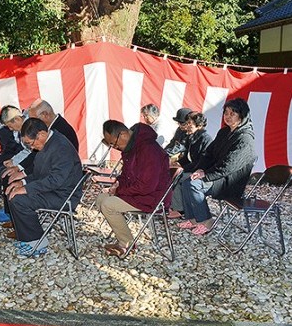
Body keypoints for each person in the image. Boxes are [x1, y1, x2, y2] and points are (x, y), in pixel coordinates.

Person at [178, 98, 256, 235]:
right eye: (226, 113)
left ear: (242, 116)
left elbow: (228, 167)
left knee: (194, 184)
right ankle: (193, 219)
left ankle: (206, 220)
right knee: (186, 180)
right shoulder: (224, 132)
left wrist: (206, 175)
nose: (228, 117)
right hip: (217, 175)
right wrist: (200, 169)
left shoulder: (245, 139)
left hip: (229, 182)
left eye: (232, 113)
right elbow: (209, 154)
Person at [6, 118, 83, 256]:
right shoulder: (47, 143)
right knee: (13, 192)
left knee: (19, 200)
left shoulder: (61, 148)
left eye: (31, 143)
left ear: (41, 134)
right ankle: (27, 239)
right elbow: (39, 173)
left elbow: (55, 180)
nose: (31, 147)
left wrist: (26, 189)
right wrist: (22, 183)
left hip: (64, 196)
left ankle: (37, 244)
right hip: (54, 190)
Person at [96, 120, 171, 257]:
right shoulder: (132, 147)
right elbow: (126, 175)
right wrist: (117, 184)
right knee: (101, 199)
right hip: (139, 193)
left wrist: (119, 191)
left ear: (123, 134)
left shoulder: (148, 149)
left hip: (152, 198)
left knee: (108, 204)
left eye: (114, 144)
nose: (115, 147)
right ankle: (125, 240)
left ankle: (126, 244)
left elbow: (147, 186)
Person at [168, 112, 212, 218]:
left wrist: (183, 168)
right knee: (171, 174)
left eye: (190, 124)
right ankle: (174, 206)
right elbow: (187, 156)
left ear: (199, 125)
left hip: (201, 171)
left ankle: (180, 210)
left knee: (180, 178)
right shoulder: (192, 137)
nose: (187, 126)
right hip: (192, 167)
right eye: (187, 123)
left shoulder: (205, 139)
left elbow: (202, 161)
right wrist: (178, 163)